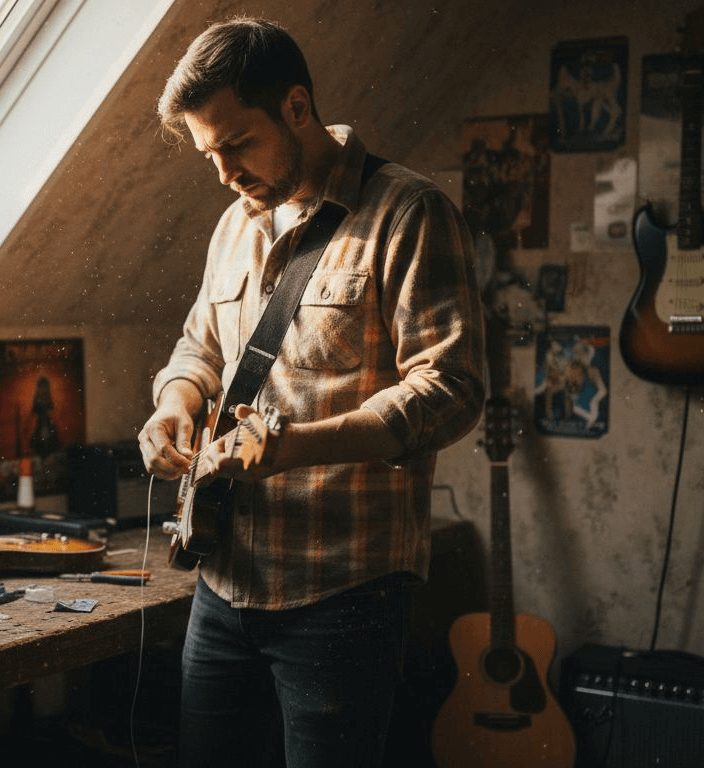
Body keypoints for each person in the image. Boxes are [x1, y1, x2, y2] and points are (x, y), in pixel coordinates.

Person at [137, 17, 486, 767]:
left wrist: (293, 448)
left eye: (237, 144)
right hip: (223, 580)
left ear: (298, 107)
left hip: (344, 593)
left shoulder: (409, 214)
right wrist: (175, 405)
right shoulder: (234, 225)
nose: (226, 173)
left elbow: (452, 389)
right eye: (209, 155)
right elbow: (198, 348)